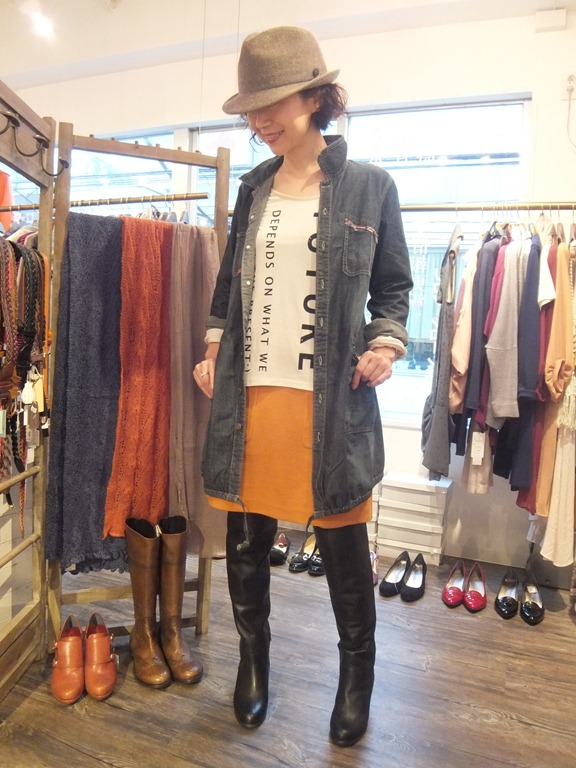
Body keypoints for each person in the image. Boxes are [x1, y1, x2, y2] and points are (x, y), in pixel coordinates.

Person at [193, 25, 413, 747]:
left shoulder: (371, 187)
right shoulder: (253, 189)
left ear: (316, 98)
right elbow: (228, 286)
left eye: (273, 104)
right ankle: (252, 661)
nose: (260, 121)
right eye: (251, 110)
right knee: (247, 543)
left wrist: (385, 341)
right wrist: (212, 346)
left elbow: (393, 288)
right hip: (251, 393)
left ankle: (357, 677)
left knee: (344, 548)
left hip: (330, 402)